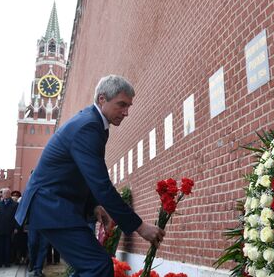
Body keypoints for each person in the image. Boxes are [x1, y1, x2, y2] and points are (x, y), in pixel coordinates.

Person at [15, 75, 165, 276]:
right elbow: (100, 183)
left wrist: (94, 205)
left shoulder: (94, 123)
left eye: (129, 106)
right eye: (121, 104)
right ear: (102, 99)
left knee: (95, 265)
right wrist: (139, 226)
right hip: (51, 206)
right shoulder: (88, 126)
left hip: (55, 206)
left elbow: (84, 173)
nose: (126, 112)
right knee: (97, 266)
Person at [0, 188, 18, 268]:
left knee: (8, 246)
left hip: (10, 228)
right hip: (0, 228)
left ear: (9, 194)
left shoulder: (15, 204)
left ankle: (7, 262)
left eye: (7, 193)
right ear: (2, 195)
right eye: (4, 193)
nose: (5, 195)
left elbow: (17, 217)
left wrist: (16, 227)